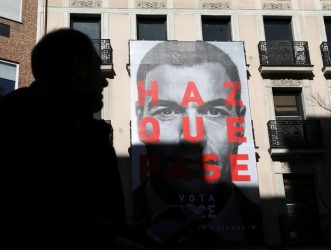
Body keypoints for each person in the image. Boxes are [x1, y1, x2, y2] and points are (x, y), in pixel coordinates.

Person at [0, 29, 133, 249]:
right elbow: (49, 213)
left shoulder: (20, 112)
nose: (105, 82)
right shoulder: (38, 119)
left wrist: (126, 231)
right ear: (78, 66)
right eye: (98, 68)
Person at [132, 41, 262, 246]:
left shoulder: (254, 218)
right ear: (141, 120)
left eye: (215, 112)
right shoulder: (126, 222)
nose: (192, 136)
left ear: (241, 122)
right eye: (166, 112)